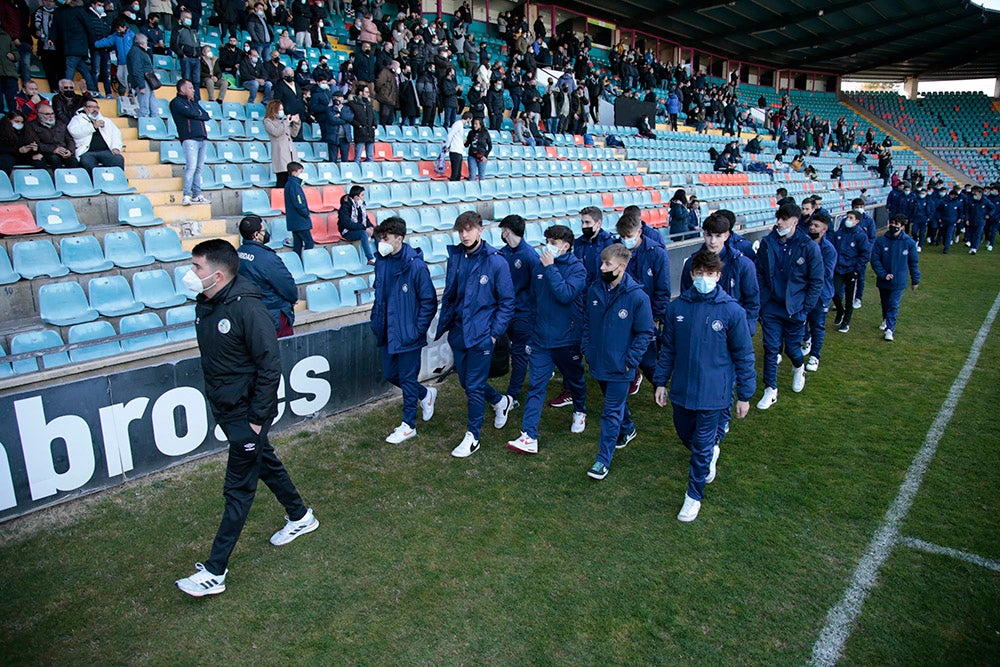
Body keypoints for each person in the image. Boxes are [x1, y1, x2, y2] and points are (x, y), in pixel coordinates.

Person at [174, 239, 318, 598]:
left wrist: (254, 421)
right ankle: (300, 516)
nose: (191, 274)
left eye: (197, 267)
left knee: (237, 489)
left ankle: (214, 571)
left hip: (246, 413)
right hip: (227, 406)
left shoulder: (248, 310)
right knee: (263, 461)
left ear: (218, 275)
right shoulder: (207, 303)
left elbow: (270, 367)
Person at [654, 249, 755, 522]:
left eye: (709, 274)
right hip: (683, 391)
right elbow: (668, 349)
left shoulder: (732, 311)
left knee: (700, 448)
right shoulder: (677, 308)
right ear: (691, 274)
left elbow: (744, 355)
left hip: (714, 393)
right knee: (686, 435)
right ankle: (712, 449)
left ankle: (693, 496)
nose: (704, 279)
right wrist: (661, 381)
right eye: (699, 273)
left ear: (718, 276)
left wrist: (744, 395)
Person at [434, 210, 515, 458]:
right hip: (458, 332)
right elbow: (451, 293)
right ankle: (501, 402)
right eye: (461, 230)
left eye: (469, 229)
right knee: (466, 382)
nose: (464, 234)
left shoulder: (496, 261)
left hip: (482, 335)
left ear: (480, 230)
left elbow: (507, 301)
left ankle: (473, 436)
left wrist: (493, 334)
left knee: (475, 385)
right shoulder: (456, 257)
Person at [507, 225, 589, 454]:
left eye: (554, 242)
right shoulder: (539, 268)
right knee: (536, 386)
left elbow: (565, 295)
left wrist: (551, 268)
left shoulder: (577, 269)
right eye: (548, 240)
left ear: (566, 246)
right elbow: (534, 301)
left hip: (567, 339)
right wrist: (533, 334)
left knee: (575, 378)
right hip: (541, 339)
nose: (549, 245)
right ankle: (528, 435)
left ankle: (579, 410)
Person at [583, 243, 654, 480]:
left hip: (620, 366)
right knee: (616, 405)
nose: (602, 267)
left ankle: (602, 460)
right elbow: (586, 323)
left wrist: (630, 361)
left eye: (607, 264)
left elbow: (645, 333)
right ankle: (628, 428)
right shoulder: (595, 290)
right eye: (602, 262)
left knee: (610, 412)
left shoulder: (637, 297)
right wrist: (588, 349)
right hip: (598, 362)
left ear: (622, 267)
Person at [370, 216, 439, 444]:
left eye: (386, 237)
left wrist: (416, 330)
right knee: (391, 374)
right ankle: (425, 394)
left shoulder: (415, 266)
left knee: (408, 378)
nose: (382, 242)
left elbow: (429, 301)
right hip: (387, 330)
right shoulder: (382, 261)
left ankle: (409, 425)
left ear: (399, 238)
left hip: (408, 333)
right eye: (380, 237)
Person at [754, 202, 823, 410]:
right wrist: (763, 300)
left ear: (794, 222)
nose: (779, 222)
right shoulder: (768, 243)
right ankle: (770, 390)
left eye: (783, 219)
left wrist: (805, 308)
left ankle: (798, 367)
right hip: (772, 307)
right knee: (770, 348)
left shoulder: (808, 246)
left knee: (793, 349)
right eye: (778, 218)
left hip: (795, 309)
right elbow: (759, 272)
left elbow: (816, 280)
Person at [616, 211, 670, 395]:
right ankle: (626, 384)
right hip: (623, 314)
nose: (625, 240)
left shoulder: (656, 254)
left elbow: (663, 289)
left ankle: (659, 386)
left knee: (647, 359)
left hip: (646, 316)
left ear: (639, 231)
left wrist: (656, 317)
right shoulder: (617, 252)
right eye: (622, 237)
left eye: (628, 236)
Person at [493, 214, 541, 411]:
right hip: (505, 312)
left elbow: (537, 286)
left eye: (503, 230)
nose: (502, 234)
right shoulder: (502, 254)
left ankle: (512, 395)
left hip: (523, 313)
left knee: (519, 353)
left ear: (508, 231)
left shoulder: (530, 256)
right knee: (514, 350)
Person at [236, 215, 298, 337]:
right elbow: (286, 285)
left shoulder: (238, 253)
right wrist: (293, 298)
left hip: (248, 314)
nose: (266, 234)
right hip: (272, 315)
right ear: (256, 235)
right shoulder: (267, 258)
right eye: (263, 231)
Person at [870, 214, 920, 342]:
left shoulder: (909, 243)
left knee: (893, 304)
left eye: (896, 224)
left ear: (902, 227)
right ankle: (885, 319)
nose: (893, 226)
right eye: (891, 223)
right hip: (883, 280)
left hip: (899, 281)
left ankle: (890, 329)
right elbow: (875, 260)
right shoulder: (881, 241)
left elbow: (913, 262)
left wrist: (915, 280)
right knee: (885, 302)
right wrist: (883, 274)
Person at [802, 213, 837, 372]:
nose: (812, 228)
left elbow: (826, 272)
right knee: (801, 321)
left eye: (816, 226)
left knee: (818, 325)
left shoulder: (829, 250)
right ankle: (805, 339)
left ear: (824, 230)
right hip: (803, 292)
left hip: (821, 294)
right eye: (811, 225)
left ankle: (815, 356)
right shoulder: (804, 244)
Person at [169, 78, 212, 206]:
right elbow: (188, 112)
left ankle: (197, 194)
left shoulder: (194, 103)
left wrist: (196, 113)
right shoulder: (176, 102)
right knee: (191, 167)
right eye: (190, 88)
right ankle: (186, 195)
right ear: (182, 89)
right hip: (189, 139)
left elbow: (206, 115)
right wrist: (196, 113)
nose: (193, 90)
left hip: (202, 138)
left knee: (199, 168)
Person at [829, 209, 871, 334]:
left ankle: (846, 322)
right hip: (839, 268)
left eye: (851, 218)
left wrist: (857, 269)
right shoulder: (840, 233)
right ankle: (840, 311)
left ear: (857, 221)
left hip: (851, 270)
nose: (848, 220)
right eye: (847, 217)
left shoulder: (860, 235)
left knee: (849, 297)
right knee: (834, 292)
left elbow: (865, 253)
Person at [67, 97, 124, 171]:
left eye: (97, 107)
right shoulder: (77, 119)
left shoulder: (105, 120)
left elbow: (116, 134)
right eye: (91, 107)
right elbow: (74, 132)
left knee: (118, 159)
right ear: (85, 108)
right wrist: (93, 127)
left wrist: (115, 147)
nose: (95, 109)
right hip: (87, 152)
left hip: (106, 151)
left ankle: (117, 182)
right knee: (88, 164)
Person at [263, 99, 300, 188]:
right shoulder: (268, 121)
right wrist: (286, 122)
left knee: (291, 179)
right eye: (279, 109)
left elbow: (293, 134)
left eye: (282, 109)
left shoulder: (284, 120)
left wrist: (296, 123)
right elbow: (276, 132)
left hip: (289, 151)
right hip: (279, 151)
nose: (281, 111)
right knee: (282, 178)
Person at [29, 102, 78, 169]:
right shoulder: (32, 126)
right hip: (47, 152)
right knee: (54, 159)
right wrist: (53, 149)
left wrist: (70, 151)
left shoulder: (61, 124)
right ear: (39, 114)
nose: (51, 116)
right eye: (47, 114)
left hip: (63, 151)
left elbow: (69, 140)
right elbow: (36, 143)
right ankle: (58, 178)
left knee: (73, 160)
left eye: (52, 113)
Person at [338, 185, 376, 264]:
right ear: (356, 197)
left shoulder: (360, 205)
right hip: (347, 232)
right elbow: (347, 224)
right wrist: (364, 228)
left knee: (378, 232)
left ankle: (383, 256)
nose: (364, 197)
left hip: (359, 228)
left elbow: (366, 219)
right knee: (363, 233)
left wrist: (371, 227)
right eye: (362, 195)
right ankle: (370, 259)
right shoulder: (345, 207)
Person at [283, 160, 313, 257]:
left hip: (294, 221)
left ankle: (298, 263)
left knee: (297, 244)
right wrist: (306, 213)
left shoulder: (289, 184)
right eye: (300, 172)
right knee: (309, 242)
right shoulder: (294, 186)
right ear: (294, 172)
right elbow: (299, 203)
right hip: (300, 221)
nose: (301, 175)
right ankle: (308, 262)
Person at [170, 11, 200, 99]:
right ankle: (187, 99)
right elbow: (173, 44)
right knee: (187, 80)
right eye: (187, 17)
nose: (189, 20)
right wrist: (182, 55)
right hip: (186, 58)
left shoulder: (193, 31)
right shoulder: (178, 29)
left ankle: (197, 100)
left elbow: (198, 43)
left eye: (190, 18)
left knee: (197, 81)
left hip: (196, 59)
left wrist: (199, 55)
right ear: (182, 18)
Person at [347, 84, 377, 163]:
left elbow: (373, 116)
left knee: (370, 157)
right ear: (360, 93)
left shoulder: (369, 105)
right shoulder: (353, 104)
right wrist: (359, 126)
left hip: (370, 132)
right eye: (366, 92)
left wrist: (374, 125)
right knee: (358, 157)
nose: (368, 94)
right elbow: (350, 118)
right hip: (360, 132)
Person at [966, 186, 999, 255]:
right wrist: (967, 219)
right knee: (972, 234)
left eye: (976, 194)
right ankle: (972, 246)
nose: (974, 195)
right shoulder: (971, 201)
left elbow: (993, 208)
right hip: (972, 220)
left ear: (980, 194)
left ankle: (974, 248)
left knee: (978, 234)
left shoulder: (985, 201)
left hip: (981, 220)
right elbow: (967, 211)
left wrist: (989, 214)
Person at [934, 188, 964, 254]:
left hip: (952, 221)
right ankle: (945, 243)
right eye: (953, 195)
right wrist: (939, 217)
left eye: (955, 195)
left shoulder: (958, 203)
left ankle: (946, 248)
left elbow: (961, 212)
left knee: (949, 234)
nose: (954, 196)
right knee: (943, 234)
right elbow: (938, 210)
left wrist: (960, 218)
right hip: (943, 220)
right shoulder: (943, 202)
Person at [445, 111, 471, 182]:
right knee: (455, 173)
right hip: (455, 150)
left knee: (458, 173)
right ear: (468, 119)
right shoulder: (458, 124)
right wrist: (447, 146)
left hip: (459, 150)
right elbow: (450, 135)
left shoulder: (460, 125)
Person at [464, 115, 491, 181]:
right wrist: (464, 142)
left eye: (476, 124)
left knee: (481, 176)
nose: (474, 125)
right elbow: (467, 145)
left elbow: (490, 146)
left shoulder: (485, 133)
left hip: (482, 156)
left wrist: (485, 156)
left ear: (480, 125)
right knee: (472, 175)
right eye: (474, 124)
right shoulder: (471, 133)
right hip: (472, 156)